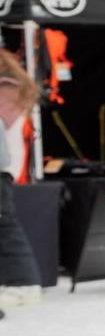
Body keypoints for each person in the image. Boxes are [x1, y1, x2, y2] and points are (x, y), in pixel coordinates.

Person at [0, 49, 41, 313]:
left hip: (3, 167)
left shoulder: (7, 89)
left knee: (5, 225)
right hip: (6, 164)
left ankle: (24, 284)